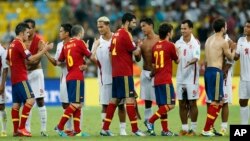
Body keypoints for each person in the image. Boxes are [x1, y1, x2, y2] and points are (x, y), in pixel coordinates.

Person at [100, 12, 145, 136]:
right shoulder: (125, 34)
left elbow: (110, 53)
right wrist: (140, 46)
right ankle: (135, 129)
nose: (135, 25)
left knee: (115, 99)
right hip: (124, 72)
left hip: (116, 72)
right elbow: (136, 53)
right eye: (134, 22)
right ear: (127, 22)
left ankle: (105, 128)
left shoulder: (116, 34)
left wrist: (115, 66)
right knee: (129, 99)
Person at [7, 22, 51, 137]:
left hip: (14, 79)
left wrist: (16, 65)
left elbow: (8, 60)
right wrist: (44, 50)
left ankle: (16, 131)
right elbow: (30, 58)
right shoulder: (20, 43)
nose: (28, 35)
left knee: (16, 105)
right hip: (21, 77)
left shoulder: (11, 44)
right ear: (21, 33)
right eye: (26, 33)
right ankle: (22, 128)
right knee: (31, 100)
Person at [55, 25, 95, 137]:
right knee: (76, 103)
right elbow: (91, 56)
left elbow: (59, 61)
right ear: (80, 33)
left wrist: (81, 63)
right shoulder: (80, 42)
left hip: (69, 77)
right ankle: (59, 127)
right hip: (77, 77)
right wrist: (94, 50)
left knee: (77, 104)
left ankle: (77, 130)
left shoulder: (66, 45)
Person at [91, 16, 127, 136]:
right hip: (104, 78)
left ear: (108, 25)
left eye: (102, 26)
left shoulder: (117, 38)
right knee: (105, 105)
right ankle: (104, 129)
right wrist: (99, 64)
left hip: (118, 77)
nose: (100, 29)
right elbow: (93, 59)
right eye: (98, 27)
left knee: (121, 105)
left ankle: (123, 130)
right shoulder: (97, 42)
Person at [202, 17, 235, 137]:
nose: (226, 28)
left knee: (215, 101)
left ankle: (209, 128)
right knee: (218, 102)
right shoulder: (223, 41)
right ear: (222, 28)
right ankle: (206, 129)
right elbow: (231, 57)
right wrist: (234, 49)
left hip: (208, 71)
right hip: (216, 72)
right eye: (225, 26)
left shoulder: (208, 40)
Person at [144, 22, 179, 136]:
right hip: (165, 80)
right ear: (169, 33)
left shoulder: (155, 47)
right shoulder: (170, 45)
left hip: (157, 80)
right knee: (171, 104)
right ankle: (150, 120)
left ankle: (165, 130)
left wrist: (152, 75)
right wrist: (177, 51)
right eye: (172, 31)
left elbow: (154, 66)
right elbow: (177, 60)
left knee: (162, 106)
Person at [45, 23, 75, 135]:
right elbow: (57, 62)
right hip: (64, 77)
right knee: (65, 104)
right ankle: (68, 128)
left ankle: (76, 129)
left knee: (76, 103)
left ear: (67, 33)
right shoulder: (59, 45)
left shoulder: (76, 43)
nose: (59, 33)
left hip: (75, 76)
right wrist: (46, 52)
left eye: (61, 31)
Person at [23, 19, 48, 136]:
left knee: (40, 100)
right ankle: (27, 129)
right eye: (26, 28)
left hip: (36, 72)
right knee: (26, 101)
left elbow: (37, 60)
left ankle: (43, 129)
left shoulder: (39, 41)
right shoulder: (21, 40)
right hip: (25, 74)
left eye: (29, 28)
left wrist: (27, 63)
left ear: (34, 29)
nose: (27, 31)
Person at [175, 19, 200, 136]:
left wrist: (189, 63)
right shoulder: (177, 43)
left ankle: (193, 129)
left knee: (192, 103)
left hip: (191, 78)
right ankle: (184, 129)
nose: (182, 31)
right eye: (181, 28)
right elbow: (174, 58)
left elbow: (196, 57)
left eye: (185, 28)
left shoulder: (196, 43)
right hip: (180, 78)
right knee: (181, 103)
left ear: (191, 29)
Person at [139, 17, 158, 124]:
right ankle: (148, 123)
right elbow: (138, 58)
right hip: (145, 72)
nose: (142, 29)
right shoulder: (142, 42)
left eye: (144, 26)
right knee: (147, 101)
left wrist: (155, 70)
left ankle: (165, 127)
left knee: (161, 100)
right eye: (141, 26)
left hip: (157, 73)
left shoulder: (160, 39)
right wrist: (137, 52)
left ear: (151, 25)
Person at [234, 20, 250, 125]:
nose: (245, 28)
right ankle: (244, 126)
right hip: (244, 78)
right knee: (242, 101)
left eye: (248, 27)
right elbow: (236, 57)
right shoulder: (241, 40)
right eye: (245, 26)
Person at [0, 44, 8, 137]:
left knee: (1, 106)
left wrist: (2, 84)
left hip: (0, 80)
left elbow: (5, 69)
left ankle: (4, 129)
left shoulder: (2, 50)